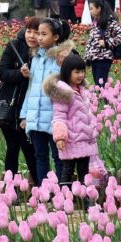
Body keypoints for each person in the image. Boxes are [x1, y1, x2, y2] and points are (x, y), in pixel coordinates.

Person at [19, 18, 74, 186]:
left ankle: (61, 192)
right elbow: (31, 90)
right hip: (35, 117)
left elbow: (67, 88)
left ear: (56, 37)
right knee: (40, 156)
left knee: (58, 156)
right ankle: (44, 191)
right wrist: (25, 115)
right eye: (38, 34)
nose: (39, 38)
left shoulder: (62, 59)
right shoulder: (35, 59)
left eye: (43, 34)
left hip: (54, 118)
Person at [43, 54, 99, 186]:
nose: (81, 75)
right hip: (70, 140)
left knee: (84, 172)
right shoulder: (63, 91)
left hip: (84, 139)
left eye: (83, 71)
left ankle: (85, 200)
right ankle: (63, 199)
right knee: (67, 170)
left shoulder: (81, 90)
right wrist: (60, 137)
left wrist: (93, 130)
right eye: (77, 72)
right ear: (68, 72)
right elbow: (59, 116)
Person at [0, 17, 39, 183]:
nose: (32, 36)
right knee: (12, 148)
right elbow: (1, 72)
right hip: (9, 107)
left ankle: (41, 189)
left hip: (29, 109)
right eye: (29, 31)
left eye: (36, 32)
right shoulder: (14, 46)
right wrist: (19, 74)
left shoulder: (44, 52)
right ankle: (11, 189)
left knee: (30, 149)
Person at [84, 0, 121, 86]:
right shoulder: (95, 23)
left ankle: (105, 99)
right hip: (94, 58)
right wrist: (87, 57)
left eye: (91, 8)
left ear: (99, 8)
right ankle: (101, 99)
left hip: (104, 58)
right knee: (98, 86)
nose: (90, 11)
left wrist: (107, 43)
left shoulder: (110, 22)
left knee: (101, 86)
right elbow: (90, 41)